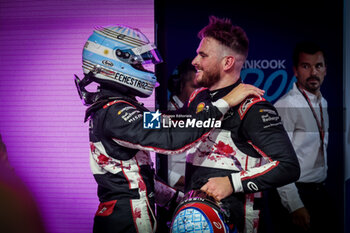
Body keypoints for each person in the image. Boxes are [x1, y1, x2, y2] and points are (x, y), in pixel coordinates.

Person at [75, 24, 264, 233]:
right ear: (115, 62)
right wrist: (224, 103)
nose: (143, 69)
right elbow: (172, 140)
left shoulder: (119, 109)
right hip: (125, 222)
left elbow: (168, 122)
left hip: (128, 217)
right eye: (138, 63)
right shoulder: (115, 114)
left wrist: (177, 200)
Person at [173, 16, 300, 233]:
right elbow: (169, 128)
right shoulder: (198, 98)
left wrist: (233, 183)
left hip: (240, 225)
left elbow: (288, 166)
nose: (194, 61)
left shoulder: (254, 108)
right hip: (193, 221)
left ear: (227, 62)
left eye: (202, 55)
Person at [272, 41, 334, 233]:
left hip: (318, 191)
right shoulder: (286, 105)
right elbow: (278, 161)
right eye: (306, 66)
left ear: (325, 69)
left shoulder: (322, 102)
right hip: (295, 195)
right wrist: (294, 205)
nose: (313, 72)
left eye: (318, 66)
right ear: (296, 70)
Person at [167, 58, 198, 190]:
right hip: (174, 193)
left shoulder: (206, 113)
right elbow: (156, 164)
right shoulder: (163, 114)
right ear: (179, 85)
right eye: (195, 87)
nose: (200, 92)